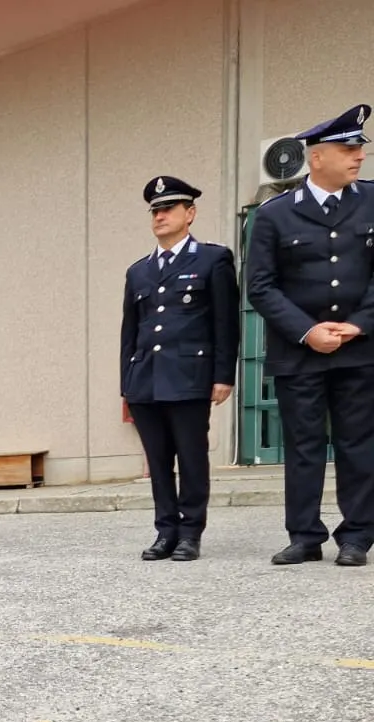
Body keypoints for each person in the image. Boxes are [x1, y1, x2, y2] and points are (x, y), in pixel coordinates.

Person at [248, 103, 374, 567]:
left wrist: (360, 324)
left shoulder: (373, 200)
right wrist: (306, 331)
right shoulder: (275, 215)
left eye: (360, 148)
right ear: (317, 157)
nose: (358, 156)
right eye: (347, 149)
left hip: (359, 349)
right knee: (302, 447)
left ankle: (357, 535)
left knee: (358, 444)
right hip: (300, 352)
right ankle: (304, 536)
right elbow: (259, 286)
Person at [120, 176, 240, 561]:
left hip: (189, 377)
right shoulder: (138, 271)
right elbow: (130, 331)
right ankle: (165, 531)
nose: (160, 216)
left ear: (190, 213)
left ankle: (190, 532)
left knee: (190, 458)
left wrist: (224, 375)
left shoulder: (211, 259)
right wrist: (127, 381)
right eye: (155, 210)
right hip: (146, 380)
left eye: (168, 209)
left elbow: (225, 323)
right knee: (157, 462)